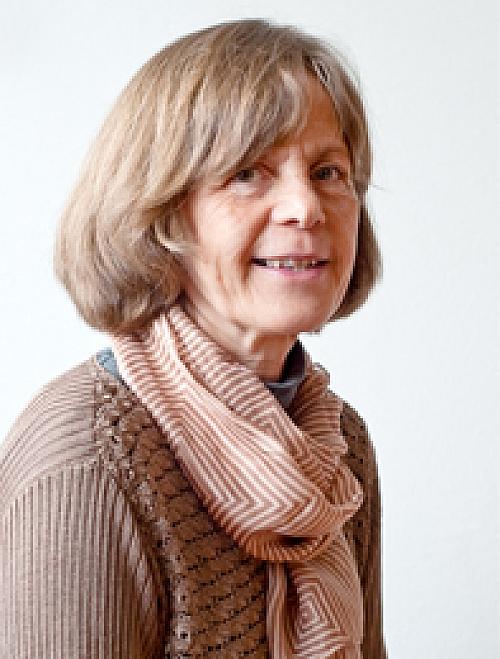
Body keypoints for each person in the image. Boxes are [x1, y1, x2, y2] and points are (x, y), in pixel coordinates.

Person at [0, 18, 387, 658]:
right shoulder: (91, 459)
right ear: (161, 216)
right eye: (249, 173)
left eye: (327, 171)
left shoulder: (339, 448)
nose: (306, 208)